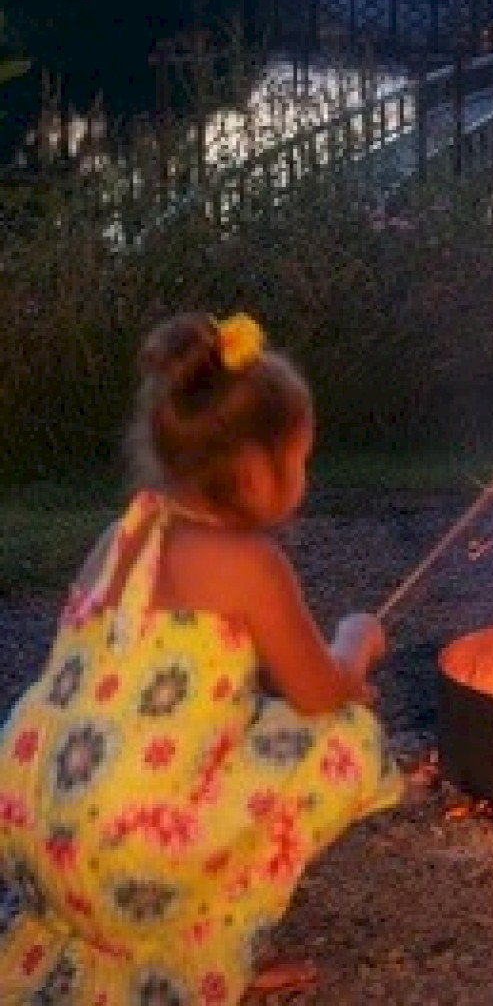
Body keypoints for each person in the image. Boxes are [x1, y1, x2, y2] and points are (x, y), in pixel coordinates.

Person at [0, 312, 404, 1002]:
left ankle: (108, 957)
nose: (305, 474)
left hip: (33, 821)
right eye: (300, 459)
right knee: (345, 744)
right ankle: (203, 954)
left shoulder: (124, 535)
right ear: (253, 472)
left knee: (224, 744)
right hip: (126, 848)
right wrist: (356, 640)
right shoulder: (249, 563)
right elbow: (319, 694)